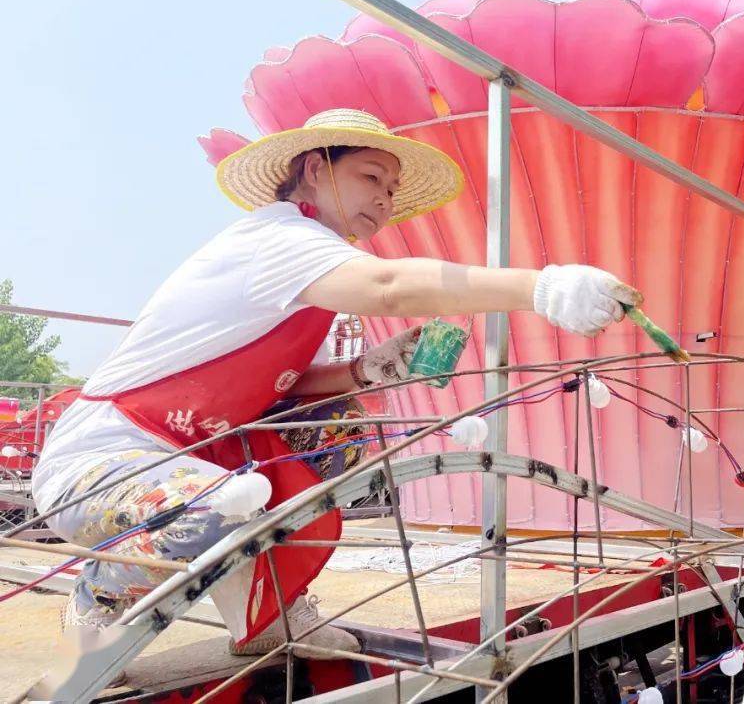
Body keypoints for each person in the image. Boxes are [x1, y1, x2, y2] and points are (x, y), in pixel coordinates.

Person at [31, 108, 640, 660]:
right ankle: (96, 606)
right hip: (104, 463)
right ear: (314, 169)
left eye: (392, 190)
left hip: (197, 450)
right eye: (371, 177)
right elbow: (387, 287)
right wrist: (541, 287)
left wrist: (366, 369)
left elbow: (286, 388)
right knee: (215, 508)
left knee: (338, 428)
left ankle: (268, 613)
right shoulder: (278, 239)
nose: (385, 199)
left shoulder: (309, 275)